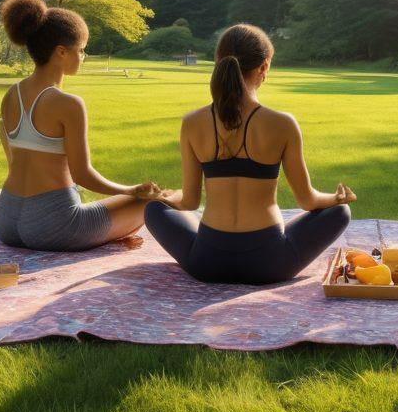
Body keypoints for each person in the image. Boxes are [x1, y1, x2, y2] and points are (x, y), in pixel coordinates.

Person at [145, 24, 355, 284]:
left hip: (207, 262)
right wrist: (336, 198)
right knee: (340, 212)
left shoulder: (192, 122)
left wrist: (168, 196)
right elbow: (308, 201)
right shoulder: (282, 124)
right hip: (270, 264)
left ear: (217, 62)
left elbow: (188, 202)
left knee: (153, 209)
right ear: (264, 66)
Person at [0, 0, 162, 251]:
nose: (84, 57)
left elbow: (14, 163)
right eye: (81, 50)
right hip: (54, 227)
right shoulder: (68, 104)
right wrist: (132, 191)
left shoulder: (10, 95)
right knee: (156, 201)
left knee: (115, 208)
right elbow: (83, 175)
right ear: (61, 52)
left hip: (5, 219)